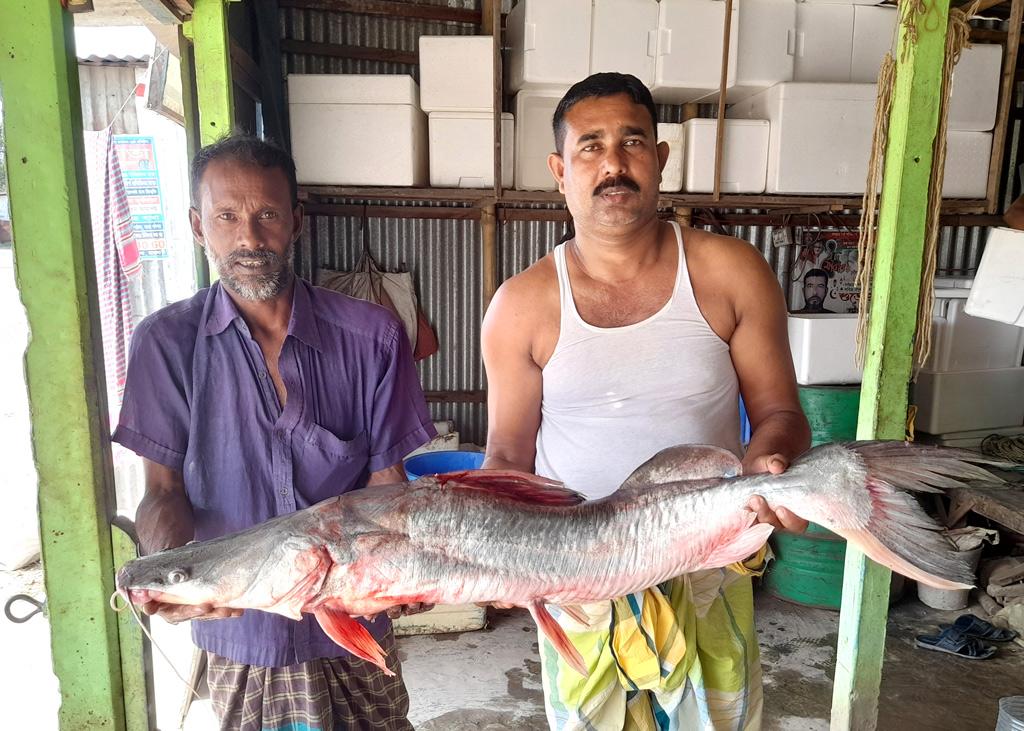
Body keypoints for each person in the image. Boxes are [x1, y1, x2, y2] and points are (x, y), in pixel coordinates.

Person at [481, 73, 811, 730]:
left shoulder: (731, 272)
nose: (612, 164)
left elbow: (780, 414)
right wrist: (492, 551)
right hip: (578, 578)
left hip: (708, 562)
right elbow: (507, 453)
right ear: (559, 170)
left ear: (660, 159)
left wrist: (769, 460)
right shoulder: (520, 305)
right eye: (590, 146)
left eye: (632, 142)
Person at [113, 135, 436, 730]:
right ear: (196, 225)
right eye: (227, 217)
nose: (249, 239)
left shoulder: (372, 336)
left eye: (267, 215)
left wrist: (405, 570)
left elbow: (388, 485)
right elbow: (163, 492)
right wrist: (174, 571)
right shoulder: (166, 344)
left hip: (352, 624)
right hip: (242, 634)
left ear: (296, 222)